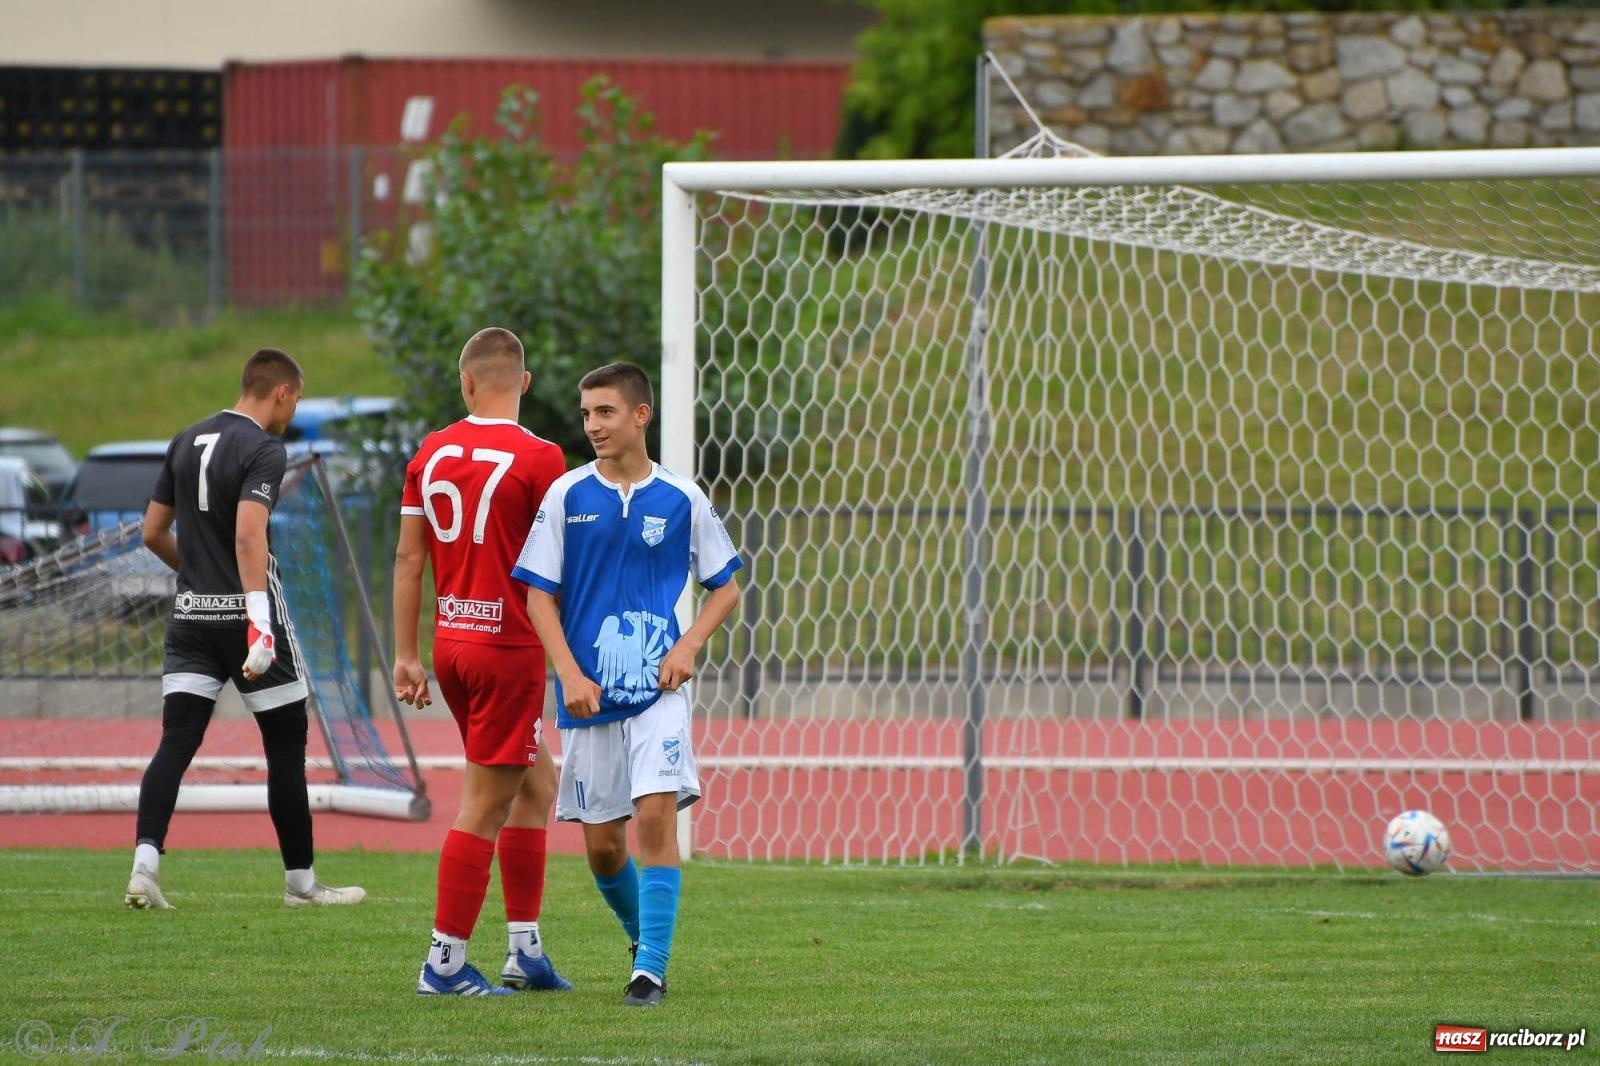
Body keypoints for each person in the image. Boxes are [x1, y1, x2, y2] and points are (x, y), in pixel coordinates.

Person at [512, 361, 742, 1007]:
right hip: (586, 693)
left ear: (640, 415)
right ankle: (644, 942)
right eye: (587, 414)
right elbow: (538, 597)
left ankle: (651, 972)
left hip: (658, 694)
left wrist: (689, 644)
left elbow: (726, 587)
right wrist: (568, 671)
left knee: (654, 815)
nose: (592, 425)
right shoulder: (566, 495)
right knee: (604, 848)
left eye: (605, 412)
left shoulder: (681, 497)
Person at [125, 348, 365, 910]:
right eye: (296, 399)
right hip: (248, 618)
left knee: (176, 742)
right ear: (281, 391)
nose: (293, 410)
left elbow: (153, 532)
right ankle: (301, 885)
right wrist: (259, 621)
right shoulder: (262, 448)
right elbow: (250, 536)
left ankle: (144, 868)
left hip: (191, 616)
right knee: (285, 747)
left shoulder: (185, 439)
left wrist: (197, 576)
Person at [393, 327, 573, 997]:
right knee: (482, 806)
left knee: (535, 786)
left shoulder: (431, 451)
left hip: (452, 647)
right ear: (523, 383)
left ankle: (524, 950)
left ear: (466, 383)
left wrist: (406, 655)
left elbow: (410, 558)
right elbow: (560, 567)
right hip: (508, 651)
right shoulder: (543, 457)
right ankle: (442, 963)